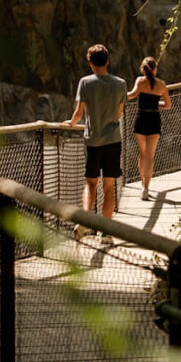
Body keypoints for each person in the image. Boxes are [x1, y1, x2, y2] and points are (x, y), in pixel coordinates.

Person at [66, 44, 127, 241]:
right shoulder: (120, 83)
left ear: (90, 63)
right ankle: (106, 232)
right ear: (107, 60)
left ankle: (85, 221)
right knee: (109, 186)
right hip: (112, 140)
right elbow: (119, 113)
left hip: (92, 140)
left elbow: (79, 112)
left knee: (91, 183)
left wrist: (71, 123)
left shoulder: (85, 82)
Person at [127, 56, 171, 200]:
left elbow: (132, 95)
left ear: (143, 69)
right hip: (154, 119)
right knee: (150, 157)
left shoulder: (140, 81)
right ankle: (146, 187)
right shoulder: (162, 84)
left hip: (141, 119)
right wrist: (156, 104)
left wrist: (118, 95)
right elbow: (168, 105)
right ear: (155, 69)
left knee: (142, 154)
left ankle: (142, 187)